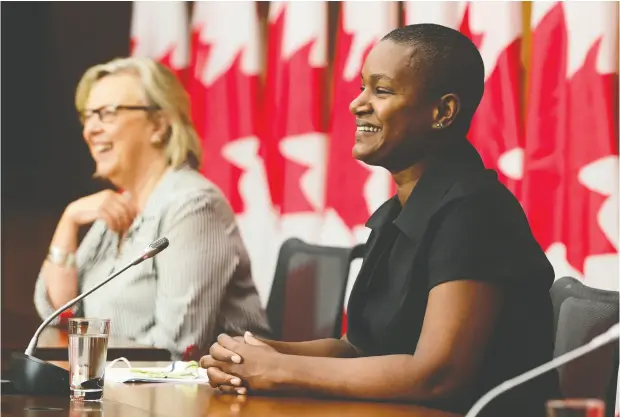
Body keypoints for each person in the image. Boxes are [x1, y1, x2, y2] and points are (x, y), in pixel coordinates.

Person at [200, 24, 560, 417]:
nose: (358, 104)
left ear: (443, 112)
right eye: (361, 88)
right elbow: (356, 347)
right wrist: (253, 355)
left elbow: (437, 375)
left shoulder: (475, 210)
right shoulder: (401, 209)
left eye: (382, 90)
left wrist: (281, 369)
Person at [33, 57, 271, 359]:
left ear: (158, 125)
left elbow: (177, 347)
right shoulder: (119, 206)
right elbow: (60, 317)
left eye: (107, 114)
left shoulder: (193, 207)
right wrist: (68, 221)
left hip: (207, 401)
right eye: (88, 116)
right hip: (124, 387)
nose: (90, 129)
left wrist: (89, 361)